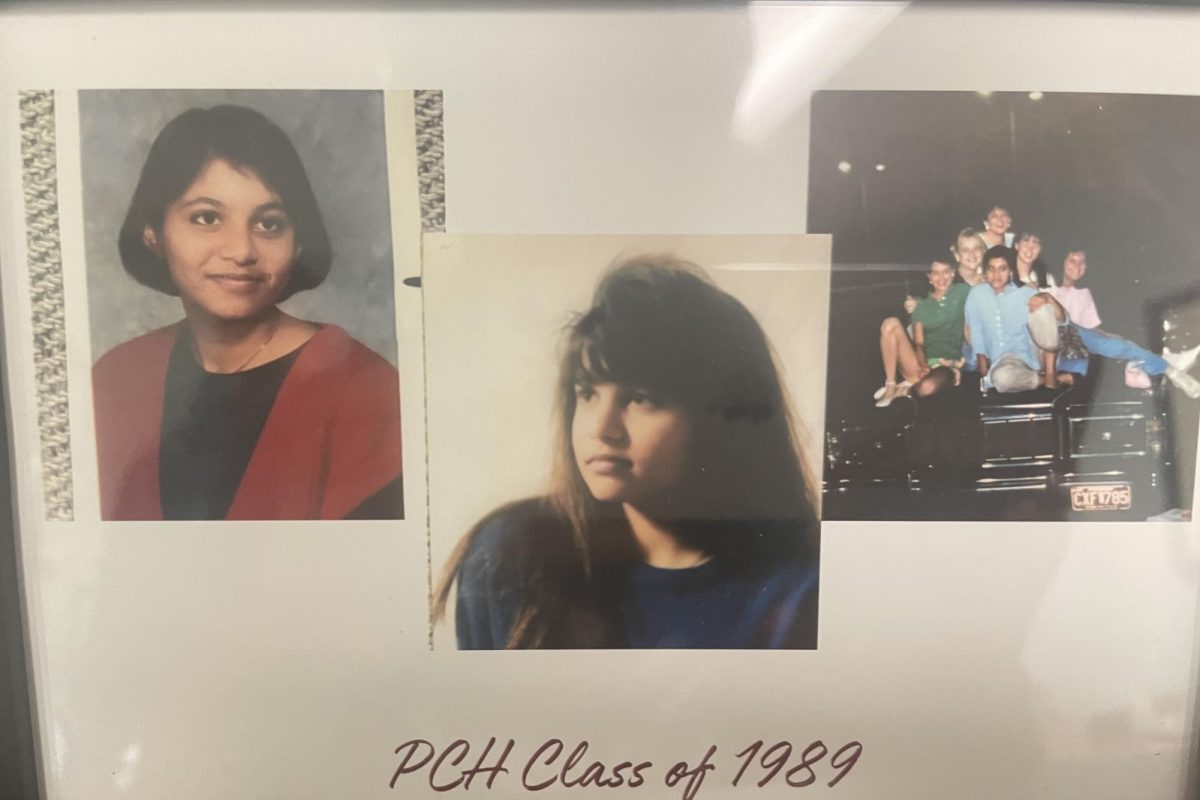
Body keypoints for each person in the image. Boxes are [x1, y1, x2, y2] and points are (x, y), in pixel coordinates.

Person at [435, 256, 820, 650]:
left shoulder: (804, 590)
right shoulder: (511, 557)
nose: (601, 430)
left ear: (726, 416)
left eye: (641, 398)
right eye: (586, 394)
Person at [92, 104, 403, 520]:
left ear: (297, 243)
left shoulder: (364, 391)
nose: (241, 251)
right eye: (206, 218)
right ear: (154, 235)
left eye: (269, 224)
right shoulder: (116, 378)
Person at [1026, 249, 1200, 397]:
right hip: (1054, 348)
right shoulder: (1047, 285)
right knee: (1100, 358)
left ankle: (1168, 370)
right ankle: (1165, 364)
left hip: (1078, 344)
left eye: (1082, 263)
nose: (1076, 266)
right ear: (1061, 261)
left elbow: (1092, 333)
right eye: (1072, 260)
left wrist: (1117, 341)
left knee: (1110, 348)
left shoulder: (1083, 295)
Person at [875, 258, 966, 407]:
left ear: (952, 274)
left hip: (947, 367)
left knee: (927, 387)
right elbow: (919, 343)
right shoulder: (921, 304)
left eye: (945, 273)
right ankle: (891, 386)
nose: (941, 278)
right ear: (929, 278)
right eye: (935, 274)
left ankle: (907, 389)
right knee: (890, 323)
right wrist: (924, 366)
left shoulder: (962, 294)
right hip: (921, 365)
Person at [965, 246, 1052, 392]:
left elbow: (1049, 324)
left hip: (1027, 356)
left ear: (1011, 271)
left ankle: (1047, 374)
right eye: (991, 269)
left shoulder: (1026, 292)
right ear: (985, 271)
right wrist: (982, 363)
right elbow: (976, 330)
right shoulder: (976, 294)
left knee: (1043, 305)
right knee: (1003, 378)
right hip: (1001, 361)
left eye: (1002, 269)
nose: (996, 274)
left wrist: (1046, 298)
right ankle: (1050, 379)